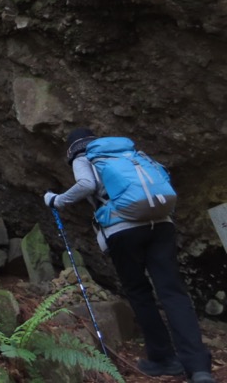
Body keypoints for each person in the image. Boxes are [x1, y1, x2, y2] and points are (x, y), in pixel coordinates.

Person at [44, 128, 214, 383]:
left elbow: (87, 184)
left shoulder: (85, 158)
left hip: (123, 230)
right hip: (161, 223)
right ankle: (198, 367)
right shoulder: (131, 153)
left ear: (71, 149)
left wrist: (57, 200)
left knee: (139, 292)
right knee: (173, 293)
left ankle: (163, 359)